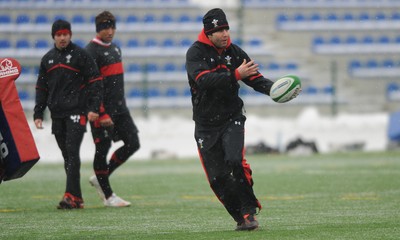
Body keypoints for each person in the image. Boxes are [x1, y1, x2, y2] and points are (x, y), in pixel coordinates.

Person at [186, 8, 279, 231]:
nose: (225, 34)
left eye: (226, 28)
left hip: (231, 118)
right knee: (217, 178)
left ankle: (249, 209)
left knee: (234, 161)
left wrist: (275, 90)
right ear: (208, 33)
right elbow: (204, 81)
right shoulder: (195, 53)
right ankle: (240, 218)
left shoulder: (235, 51)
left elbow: (254, 77)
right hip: (205, 125)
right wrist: (235, 75)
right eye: (219, 30)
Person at [33, 19, 103, 209]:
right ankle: (77, 198)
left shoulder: (81, 55)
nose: (62, 38)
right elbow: (41, 88)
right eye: (58, 35)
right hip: (57, 116)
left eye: (65, 34)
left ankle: (70, 196)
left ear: (70, 35)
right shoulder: (47, 59)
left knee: (72, 153)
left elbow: (95, 81)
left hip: (77, 112)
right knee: (67, 156)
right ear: (53, 36)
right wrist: (38, 113)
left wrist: (93, 108)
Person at [85, 11, 140, 207]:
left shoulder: (115, 48)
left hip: (120, 109)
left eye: (112, 27)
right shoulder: (91, 52)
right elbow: (91, 85)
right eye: (105, 27)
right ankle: (108, 196)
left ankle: (101, 177)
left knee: (133, 142)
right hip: (101, 110)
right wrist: (101, 112)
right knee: (103, 148)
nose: (109, 31)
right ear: (98, 29)